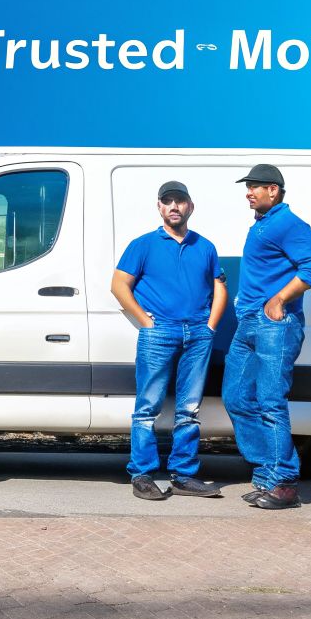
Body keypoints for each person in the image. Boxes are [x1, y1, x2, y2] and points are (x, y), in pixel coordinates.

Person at [109, 180, 227, 501]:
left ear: (190, 206)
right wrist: (146, 321)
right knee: (147, 408)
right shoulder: (143, 245)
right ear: (159, 207)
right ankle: (142, 474)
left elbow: (219, 286)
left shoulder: (205, 247)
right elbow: (119, 284)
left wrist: (210, 326)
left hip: (197, 336)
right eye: (168, 201)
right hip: (159, 334)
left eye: (180, 201)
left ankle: (183, 475)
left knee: (189, 409)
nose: (174, 206)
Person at [224, 164, 311, 510]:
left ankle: (284, 482)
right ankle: (267, 472)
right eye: (248, 187)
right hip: (249, 324)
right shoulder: (262, 225)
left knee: (270, 402)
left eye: (255, 187)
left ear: (274, 189)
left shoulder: (290, 224)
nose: (249, 192)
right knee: (236, 398)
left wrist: (280, 299)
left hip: (275, 326)